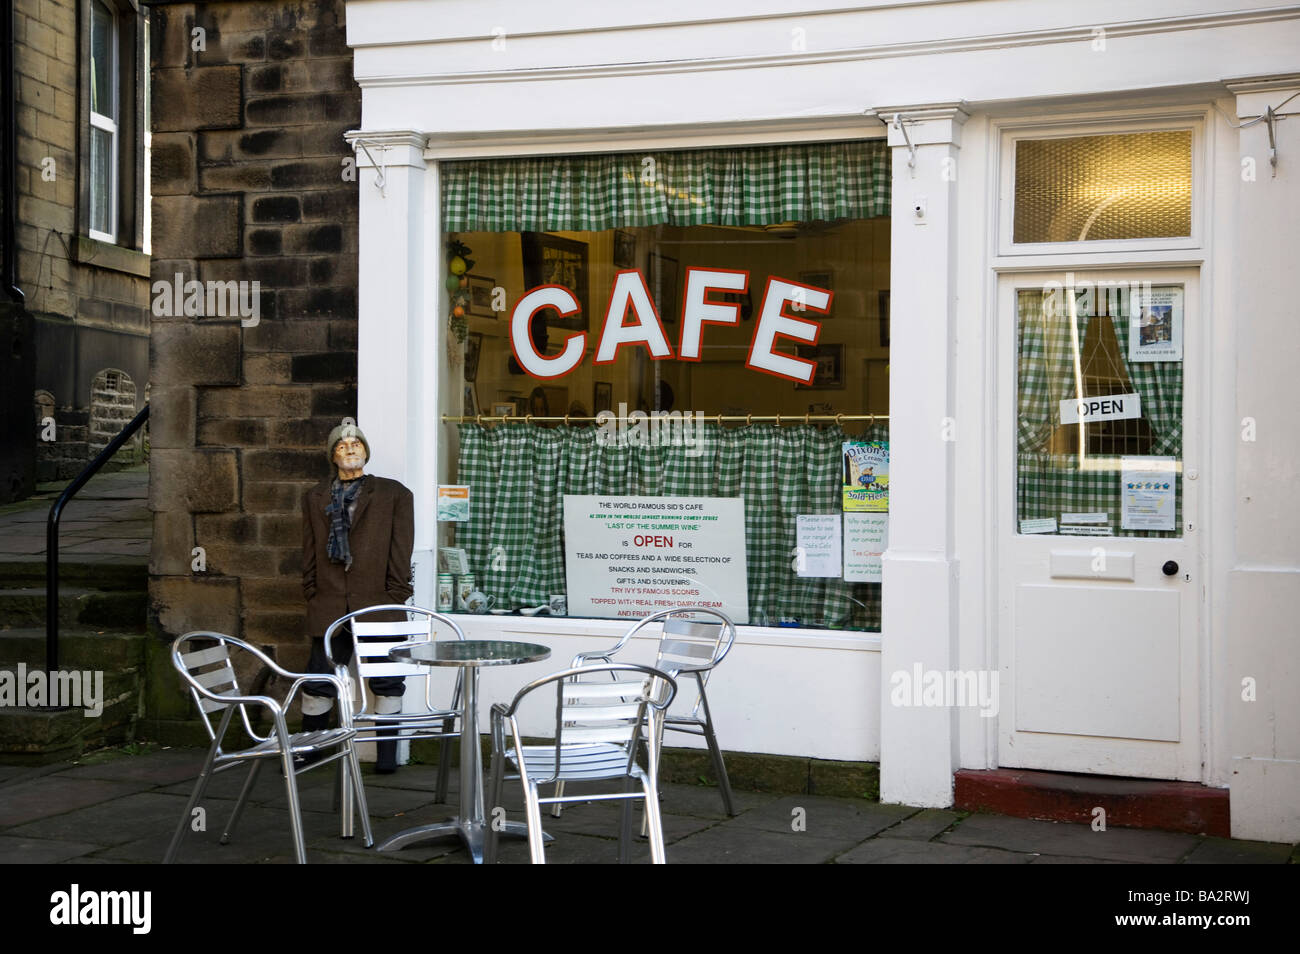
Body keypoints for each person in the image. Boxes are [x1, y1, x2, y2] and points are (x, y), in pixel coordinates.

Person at [301, 422, 414, 773]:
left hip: (378, 602)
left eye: (356, 444)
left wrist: (395, 595)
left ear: (366, 451)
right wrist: (313, 592)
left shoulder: (394, 494)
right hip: (330, 603)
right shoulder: (315, 497)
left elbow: (401, 551)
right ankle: (310, 751)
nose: (349, 449)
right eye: (341, 446)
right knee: (318, 681)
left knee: (387, 682)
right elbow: (308, 552)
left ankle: (386, 759)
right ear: (332, 455)